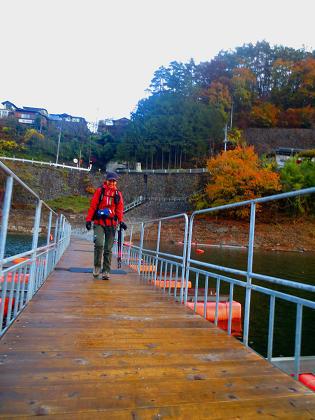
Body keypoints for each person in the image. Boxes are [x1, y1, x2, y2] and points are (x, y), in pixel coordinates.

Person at [85, 172, 126, 280]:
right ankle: (97, 267)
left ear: (116, 182)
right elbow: (93, 206)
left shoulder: (118, 194)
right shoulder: (100, 191)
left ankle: (106, 270)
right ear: (106, 180)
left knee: (108, 248)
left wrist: (121, 221)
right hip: (99, 222)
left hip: (112, 224)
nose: (112, 182)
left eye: (114, 181)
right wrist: (88, 220)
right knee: (98, 244)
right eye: (110, 180)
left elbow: (119, 209)